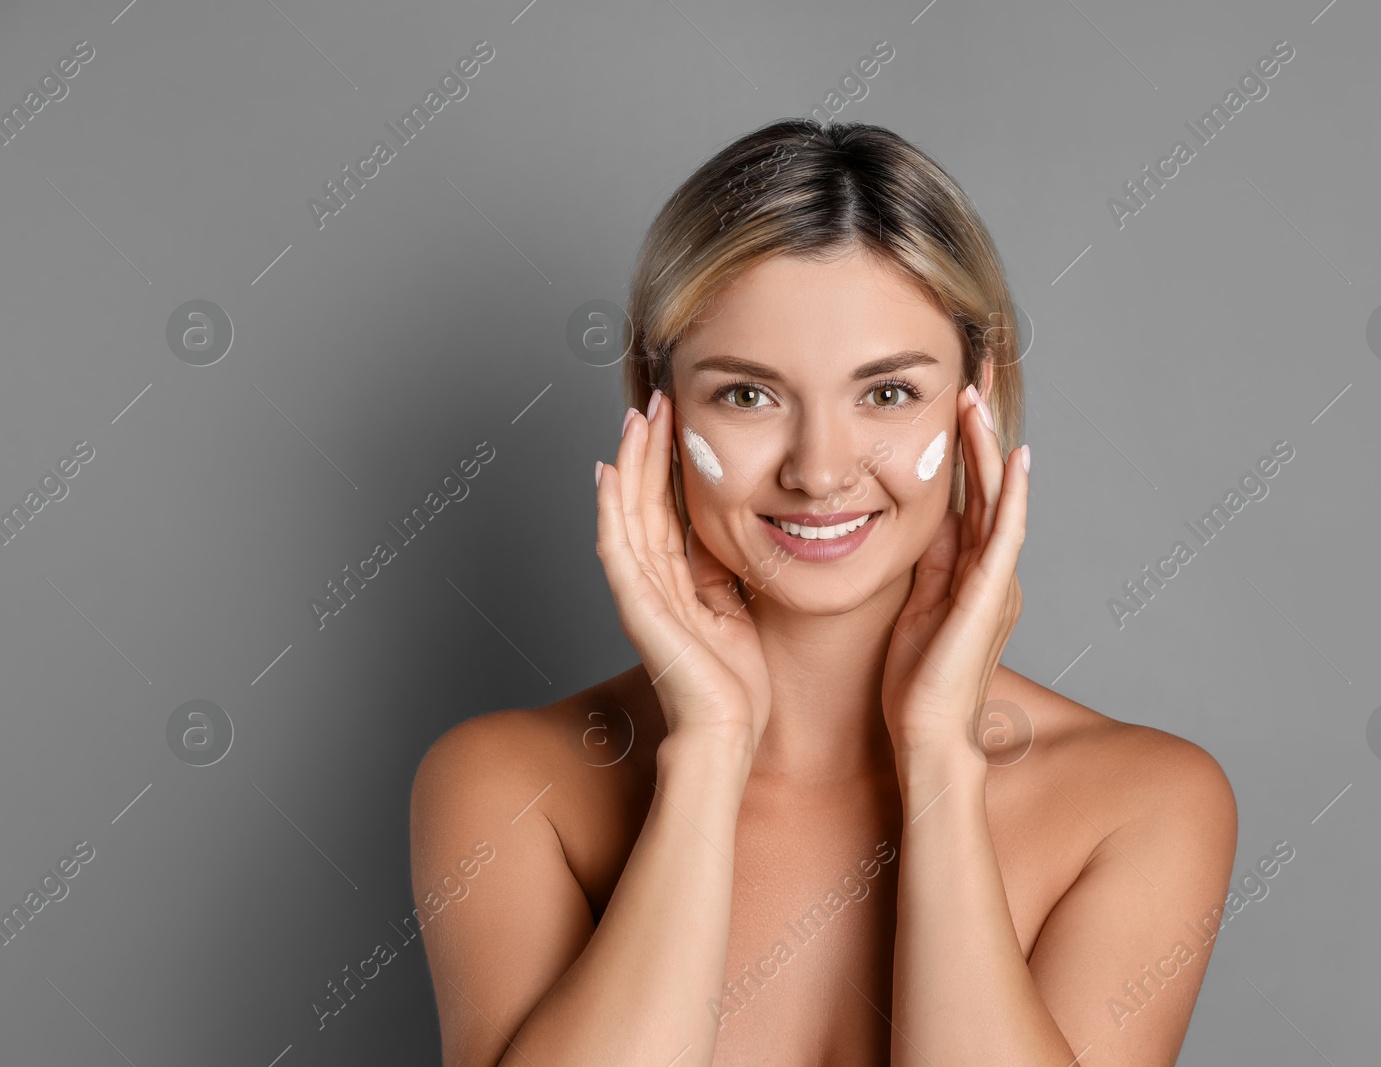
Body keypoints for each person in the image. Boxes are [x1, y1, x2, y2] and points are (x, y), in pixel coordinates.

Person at [410, 118, 1237, 1067]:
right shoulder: (511, 789)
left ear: (979, 393)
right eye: (749, 395)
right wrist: (710, 749)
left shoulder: (1142, 803)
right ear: (657, 403)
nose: (820, 469)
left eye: (886, 394)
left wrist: (938, 757)